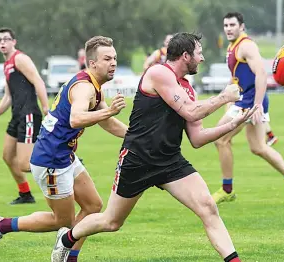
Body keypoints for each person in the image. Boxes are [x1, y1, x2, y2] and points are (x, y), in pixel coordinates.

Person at [51, 32, 258, 262]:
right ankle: (67, 239)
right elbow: (190, 111)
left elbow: (197, 139)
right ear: (185, 55)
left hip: (170, 161)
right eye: (199, 53)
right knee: (111, 221)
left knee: (208, 207)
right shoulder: (158, 73)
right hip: (137, 159)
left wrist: (232, 123)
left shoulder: (188, 89)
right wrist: (223, 98)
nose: (202, 59)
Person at [0, 36, 129, 262]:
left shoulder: (94, 86)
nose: (113, 63)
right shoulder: (84, 87)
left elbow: (104, 122)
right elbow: (76, 118)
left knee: (93, 206)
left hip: (65, 155)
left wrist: (135, 137)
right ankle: (0, 225)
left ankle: (69, 257)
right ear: (92, 64)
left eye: (115, 58)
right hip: (50, 160)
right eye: (107, 58)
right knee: (62, 221)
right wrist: (109, 111)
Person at [212, 12, 284, 205]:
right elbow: (237, 78)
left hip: (250, 102)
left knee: (221, 140)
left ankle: (227, 189)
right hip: (247, 100)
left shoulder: (247, 45)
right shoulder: (232, 47)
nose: (228, 28)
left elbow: (261, 74)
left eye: (232, 25)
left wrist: (256, 106)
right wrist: (226, 98)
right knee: (258, 147)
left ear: (242, 26)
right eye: (226, 25)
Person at [0, 27, 49, 204]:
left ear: (14, 41)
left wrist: (45, 108)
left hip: (28, 115)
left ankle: (63, 160)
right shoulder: (7, 65)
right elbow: (7, 97)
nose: (2, 42)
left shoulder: (20, 58)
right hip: (17, 115)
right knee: (7, 156)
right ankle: (25, 195)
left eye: (6, 39)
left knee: (25, 164)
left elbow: (38, 81)